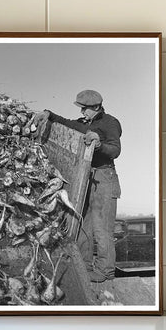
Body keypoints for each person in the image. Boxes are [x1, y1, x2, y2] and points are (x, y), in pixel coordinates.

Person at [34, 90, 122, 283]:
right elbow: (68, 123)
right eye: (81, 108)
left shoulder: (110, 123)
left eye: (85, 108)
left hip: (104, 177)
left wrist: (99, 145)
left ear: (97, 107)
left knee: (102, 227)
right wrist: (49, 114)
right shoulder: (84, 124)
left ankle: (105, 271)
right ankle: (85, 267)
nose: (82, 112)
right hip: (85, 177)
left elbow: (115, 150)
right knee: (83, 225)